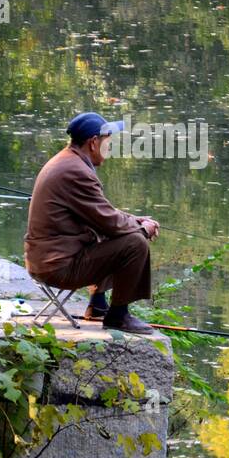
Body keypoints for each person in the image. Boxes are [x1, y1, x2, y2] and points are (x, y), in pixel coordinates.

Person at [25, 112, 160, 334]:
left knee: (119, 233)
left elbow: (100, 212)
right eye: (108, 141)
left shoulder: (69, 161)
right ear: (93, 142)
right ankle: (118, 316)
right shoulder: (76, 171)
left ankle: (97, 304)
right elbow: (110, 222)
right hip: (57, 266)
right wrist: (141, 228)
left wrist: (135, 220)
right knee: (135, 243)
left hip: (46, 259)